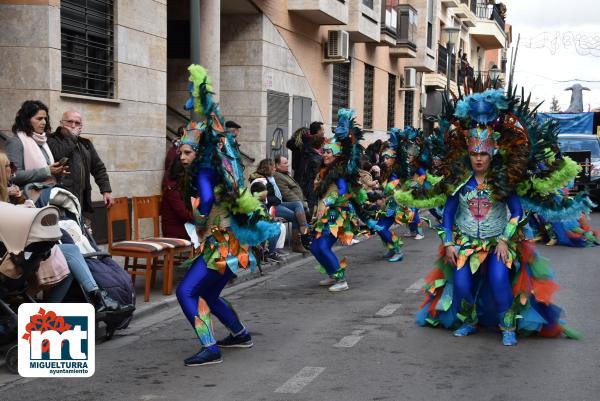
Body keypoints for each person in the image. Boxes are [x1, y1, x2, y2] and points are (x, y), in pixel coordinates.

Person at [412, 88, 580, 345]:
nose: (478, 159)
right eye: (474, 154)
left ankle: (507, 325)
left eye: (483, 154)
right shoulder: (459, 182)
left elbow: (518, 212)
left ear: (492, 154)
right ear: (468, 155)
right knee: (461, 284)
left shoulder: (503, 181)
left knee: (499, 279)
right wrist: (448, 243)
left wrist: (504, 240)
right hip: (466, 244)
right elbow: (447, 215)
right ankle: (469, 321)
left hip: (498, 242)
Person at [176, 64, 279, 366]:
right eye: (180, 152)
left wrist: (195, 224)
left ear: (199, 152)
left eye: (186, 153)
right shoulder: (219, 166)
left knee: (186, 292)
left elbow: (206, 200)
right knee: (208, 294)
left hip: (220, 241)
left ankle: (210, 347)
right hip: (234, 240)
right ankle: (240, 334)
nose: (182, 157)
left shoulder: (206, 170)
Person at [308, 109, 379, 292]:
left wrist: (328, 202)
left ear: (337, 155)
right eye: (324, 152)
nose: (325, 155)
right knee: (315, 247)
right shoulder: (325, 171)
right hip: (324, 214)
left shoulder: (339, 171)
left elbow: (342, 191)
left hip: (336, 214)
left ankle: (341, 280)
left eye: (329, 153)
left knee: (323, 246)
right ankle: (333, 274)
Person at [47, 109, 114, 213]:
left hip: (83, 201)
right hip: (61, 200)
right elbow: (59, 154)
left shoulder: (85, 144)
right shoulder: (51, 139)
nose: (73, 125)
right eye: (69, 122)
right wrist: (72, 137)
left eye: (77, 123)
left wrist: (106, 190)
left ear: (81, 126)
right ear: (61, 123)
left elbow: (98, 168)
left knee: (84, 229)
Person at [251, 158, 309, 253]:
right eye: (273, 167)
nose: (274, 169)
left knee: (298, 204)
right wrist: (276, 200)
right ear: (267, 168)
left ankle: (303, 226)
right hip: (272, 207)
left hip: (278, 203)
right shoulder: (261, 180)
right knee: (295, 216)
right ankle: (297, 244)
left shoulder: (271, 178)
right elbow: (263, 199)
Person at [5, 100, 68, 188]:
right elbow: (13, 175)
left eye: (45, 119)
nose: (44, 122)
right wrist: (46, 171)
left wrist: (57, 173)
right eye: (39, 119)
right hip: (29, 197)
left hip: (48, 191)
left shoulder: (43, 141)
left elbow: (47, 172)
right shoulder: (15, 142)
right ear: (26, 120)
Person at [160, 157, 193, 239]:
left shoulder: (180, 187)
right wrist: (202, 219)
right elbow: (185, 214)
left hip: (186, 229)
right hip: (176, 233)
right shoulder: (172, 189)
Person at [296, 124, 325, 217]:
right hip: (311, 185)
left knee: (310, 204)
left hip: (306, 184)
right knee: (312, 204)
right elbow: (317, 174)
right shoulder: (316, 158)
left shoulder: (308, 153)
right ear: (320, 145)